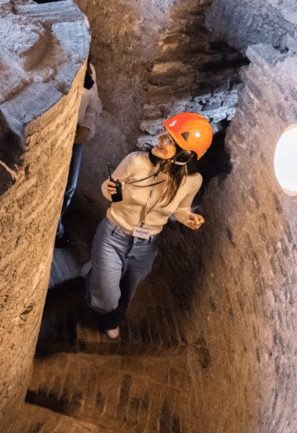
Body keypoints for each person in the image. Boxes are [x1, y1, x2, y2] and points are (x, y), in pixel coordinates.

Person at [84, 112, 213, 339]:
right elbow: (109, 186)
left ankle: (110, 312)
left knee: (127, 292)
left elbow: (181, 210)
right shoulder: (136, 161)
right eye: (165, 134)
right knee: (108, 296)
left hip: (147, 244)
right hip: (113, 233)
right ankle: (100, 295)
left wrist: (187, 218)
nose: (162, 141)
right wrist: (110, 190)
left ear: (187, 155)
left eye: (172, 141)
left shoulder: (193, 181)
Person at [55, 62, 102, 247]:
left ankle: (55, 229)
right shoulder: (58, 66)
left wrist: (86, 127)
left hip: (74, 137)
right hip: (56, 137)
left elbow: (93, 104)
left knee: (68, 188)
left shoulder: (89, 68)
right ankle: (55, 232)